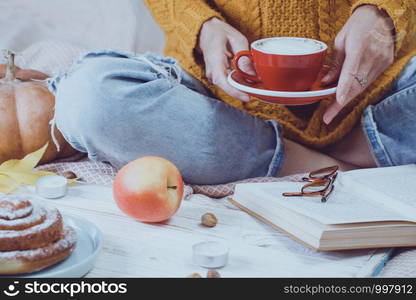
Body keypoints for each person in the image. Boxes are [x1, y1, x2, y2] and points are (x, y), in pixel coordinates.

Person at [49, 1, 416, 185]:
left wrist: (387, 14)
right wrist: (200, 24)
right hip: (214, 93)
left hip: (383, 88)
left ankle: (360, 146)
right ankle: (314, 163)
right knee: (90, 97)